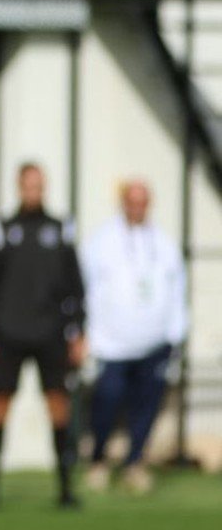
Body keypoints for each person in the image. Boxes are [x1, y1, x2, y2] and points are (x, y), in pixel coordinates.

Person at [0, 162, 85, 509]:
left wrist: (78, 331)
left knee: (58, 402)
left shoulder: (60, 229)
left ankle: (65, 487)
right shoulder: (0, 229)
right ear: (19, 187)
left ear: (44, 187)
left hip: (50, 331)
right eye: (27, 186)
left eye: (38, 186)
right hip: (8, 331)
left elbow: (76, 287)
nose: (33, 192)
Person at [82, 179, 187, 495]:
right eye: (132, 201)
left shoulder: (164, 244)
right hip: (112, 343)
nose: (138, 207)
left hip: (155, 342)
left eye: (143, 202)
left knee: (147, 405)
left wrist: (175, 333)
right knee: (108, 399)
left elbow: (177, 290)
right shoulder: (101, 242)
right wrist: (88, 334)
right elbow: (86, 289)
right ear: (123, 203)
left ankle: (135, 462)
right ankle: (98, 458)